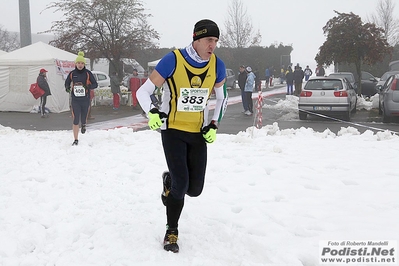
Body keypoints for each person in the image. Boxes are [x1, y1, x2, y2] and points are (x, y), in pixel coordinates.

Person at [136, 19, 227, 253]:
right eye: (209, 40)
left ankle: (169, 183)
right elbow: (143, 91)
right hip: (173, 130)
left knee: (195, 189)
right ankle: (171, 232)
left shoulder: (217, 65)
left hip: (197, 133)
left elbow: (222, 96)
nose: (212, 45)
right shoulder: (173, 60)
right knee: (181, 184)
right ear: (196, 39)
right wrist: (152, 112)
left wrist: (214, 124)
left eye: (216, 41)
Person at [65, 51, 98, 146]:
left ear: (84, 64)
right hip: (75, 100)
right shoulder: (72, 73)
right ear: (76, 64)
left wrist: (88, 87)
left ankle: (83, 124)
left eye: (82, 63)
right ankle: (75, 139)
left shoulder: (88, 73)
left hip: (85, 99)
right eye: (78, 63)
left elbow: (95, 84)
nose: (80, 65)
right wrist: (67, 87)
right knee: (75, 119)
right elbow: (67, 82)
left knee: (83, 118)